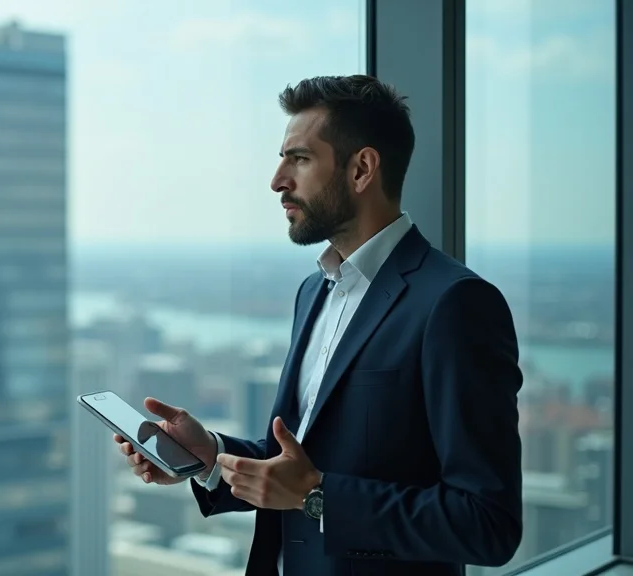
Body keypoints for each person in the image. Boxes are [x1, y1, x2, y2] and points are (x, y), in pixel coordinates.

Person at [115, 75, 523, 576]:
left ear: (361, 169)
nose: (277, 180)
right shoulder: (315, 291)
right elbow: (300, 464)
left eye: (300, 159)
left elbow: (488, 524)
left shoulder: (454, 303)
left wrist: (317, 497)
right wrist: (211, 457)